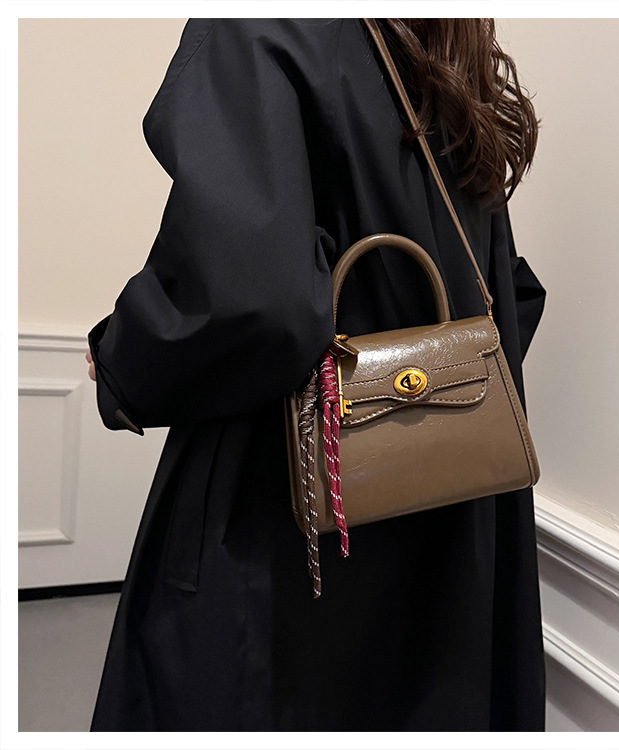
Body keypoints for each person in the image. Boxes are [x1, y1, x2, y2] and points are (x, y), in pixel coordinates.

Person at [85, 18, 547, 731]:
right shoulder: (451, 54)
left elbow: (251, 295)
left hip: (284, 520)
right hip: (455, 519)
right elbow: (501, 290)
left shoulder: (263, 22)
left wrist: (122, 358)